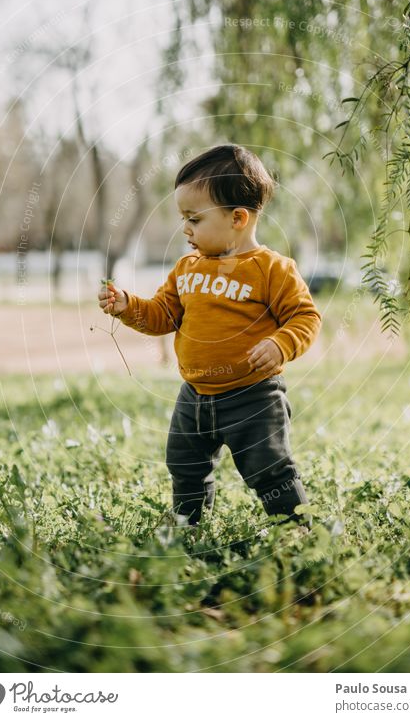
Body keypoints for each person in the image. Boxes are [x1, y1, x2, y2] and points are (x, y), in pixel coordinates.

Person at [97, 144, 322, 529]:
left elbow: (306, 317)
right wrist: (128, 306)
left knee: (269, 468)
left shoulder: (272, 269)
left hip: (252, 397)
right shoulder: (187, 268)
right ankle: (189, 522)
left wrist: (280, 343)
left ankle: (296, 529)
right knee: (184, 462)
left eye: (195, 219)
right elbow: (163, 315)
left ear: (238, 217)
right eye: (183, 218)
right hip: (195, 396)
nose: (186, 229)